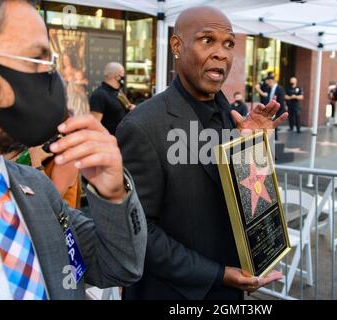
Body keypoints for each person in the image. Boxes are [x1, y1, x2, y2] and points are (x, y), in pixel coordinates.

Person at [116, 6, 287, 300]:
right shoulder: (142, 126)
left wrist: (255, 152)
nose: (222, 53)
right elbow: (138, 234)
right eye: (208, 40)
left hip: (230, 293)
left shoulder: (234, 118)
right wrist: (218, 274)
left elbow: (250, 203)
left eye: (229, 43)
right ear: (177, 47)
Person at [0, 0, 147, 299]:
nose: (56, 79)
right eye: (37, 61)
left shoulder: (36, 188)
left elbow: (119, 267)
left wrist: (114, 194)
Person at [89, 62, 135, 135]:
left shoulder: (118, 92)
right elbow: (94, 125)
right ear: (117, 76)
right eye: (123, 74)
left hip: (122, 140)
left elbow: (127, 107)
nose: (124, 77)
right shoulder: (99, 95)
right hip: (109, 143)